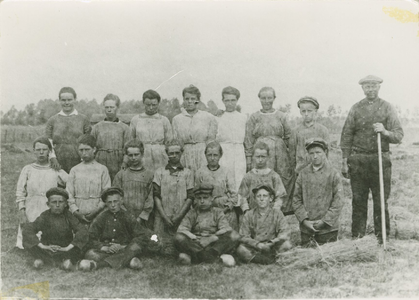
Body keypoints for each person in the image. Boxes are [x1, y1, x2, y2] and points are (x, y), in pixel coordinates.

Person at [340, 75, 403, 243]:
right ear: (362, 88)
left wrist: (385, 131)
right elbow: (346, 136)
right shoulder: (356, 108)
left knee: (381, 200)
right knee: (359, 201)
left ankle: (382, 238)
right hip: (358, 160)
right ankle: (358, 239)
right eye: (367, 86)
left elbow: (398, 135)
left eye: (373, 86)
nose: (370, 89)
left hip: (380, 161)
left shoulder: (387, 107)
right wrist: (345, 160)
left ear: (379, 87)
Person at [80, 187, 161, 271]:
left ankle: (98, 265)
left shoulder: (128, 217)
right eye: (109, 202)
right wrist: (103, 247)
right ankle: (129, 261)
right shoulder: (101, 218)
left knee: (135, 247)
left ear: (121, 201)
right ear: (106, 204)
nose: (113, 205)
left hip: (125, 248)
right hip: (107, 250)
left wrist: (123, 247)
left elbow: (141, 236)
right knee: (91, 254)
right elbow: (90, 237)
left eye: (115, 201)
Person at [244, 87, 294, 214]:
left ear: (274, 98)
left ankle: (279, 213)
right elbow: (249, 139)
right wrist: (249, 159)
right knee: (263, 180)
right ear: (259, 99)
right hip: (261, 154)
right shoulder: (254, 117)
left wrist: (291, 157)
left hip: (280, 154)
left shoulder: (281, 116)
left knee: (281, 180)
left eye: (269, 98)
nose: (266, 101)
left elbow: (289, 137)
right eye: (263, 98)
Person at [15, 137, 68, 249]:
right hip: (31, 206)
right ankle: (26, 245)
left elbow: (71, 182)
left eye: (44, 149)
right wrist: (22, 211)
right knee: (29, 231)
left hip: (48, 207)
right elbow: (20, 192)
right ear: (34, 151)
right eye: (38, 150)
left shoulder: (55, 170)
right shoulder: (27, 169)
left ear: (49, 151)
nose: (41, 152)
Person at [293, 138, 344, 246]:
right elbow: (296, 200)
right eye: (311, 153)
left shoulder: (333, 174)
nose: (315, 156)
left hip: (328, 229)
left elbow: (338, 201)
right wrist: (304, 221)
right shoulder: (303, 174)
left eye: (318, 152)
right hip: (307, 229)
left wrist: (324, 222)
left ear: (325, 152)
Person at [22, 187, 88, 270]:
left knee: (78, 248)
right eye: (54, 202)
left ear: (65, 204)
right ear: (48, 204)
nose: (57, 205)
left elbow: (82, 230)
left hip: (65, 249)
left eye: (60, 202)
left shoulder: (68, 216)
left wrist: (68, 247)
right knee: (30, 242)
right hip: (47, 249)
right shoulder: (45, 216)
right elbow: (29, 229)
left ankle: (60, 261)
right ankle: (45, 260)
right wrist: (43, 246)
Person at [174, 184, 240, 266]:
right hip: (196, 245)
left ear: (211, 198)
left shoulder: (217, 212)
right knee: (178, 237)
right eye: (199, 198)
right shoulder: (192, 213)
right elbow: (182, 229)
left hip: (213, 245)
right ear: (196, 200)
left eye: (205, 198)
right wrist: (194, 238)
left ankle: (200, 258)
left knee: (235, 235)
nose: (202, 201)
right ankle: (210, 258)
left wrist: (211, 238)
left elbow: (226, 229)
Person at [236, 185, 291, 265]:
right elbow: (243, 235)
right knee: (241, 250)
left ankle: (268, 258)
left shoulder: (277, 213)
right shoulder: (249, 214)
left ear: (271, 199)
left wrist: (272, 242)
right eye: (258, 196)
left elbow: (285, 232)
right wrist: (257, 244)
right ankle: (266, 260)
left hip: (272, 246)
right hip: (256, 247)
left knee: (286, 245)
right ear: (255, 199)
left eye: (265, 196)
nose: (261, 199)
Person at [172, 85, 218, 173]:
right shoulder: (177, 119)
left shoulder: (208, 117)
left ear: (198, 100)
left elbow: (211, 140)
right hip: (185, 155)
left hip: (203, 155)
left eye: (193, 99)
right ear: (183, 100)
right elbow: (176, 141)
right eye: (187, 99)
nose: (190, 102)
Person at [67, 134, 111, 225]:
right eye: (81, 150)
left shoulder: (102, 169)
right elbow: (69, 193)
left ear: (94, 149)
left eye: (87, 149)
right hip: (79, 211)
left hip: (98, 212)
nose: (84, 153)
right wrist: (75, 211)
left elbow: (106, 192)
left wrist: (96, 211)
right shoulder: (74, 170)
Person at [153, 140, 194, 236]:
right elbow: (156, 196)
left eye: (177, 153)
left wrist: (178, 216)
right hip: (163, 216)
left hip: (182, 216)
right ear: (167, 153)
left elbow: (190, 197)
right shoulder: (159, 172)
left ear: (181, 153)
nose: (174, 155)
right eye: (171, 153)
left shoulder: (188, 173)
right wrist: (164, 217)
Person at [45, 87, 91, 173]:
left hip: (79, 162)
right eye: (63, 100)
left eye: (69, 100)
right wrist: (52, 158)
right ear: (59, 100)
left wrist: (84, 157)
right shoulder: (52, 120)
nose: (66, 103)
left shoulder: (84, 119)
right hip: (57, 163)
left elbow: (88, 141)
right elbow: (48, 141)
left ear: (75, 100)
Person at [195, 141, 239, 231]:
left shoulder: (227, 172)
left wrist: (225, 209)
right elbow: (196, 196)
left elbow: (234, 196)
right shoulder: (200, 172)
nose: (212, 158)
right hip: (206, 210)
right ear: (205, 155)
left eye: (215, 155)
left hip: (224, 210)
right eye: (209, 155)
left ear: (220, 155)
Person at [130, 89, 173, 172]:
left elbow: (169, 142)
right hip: (142, 156)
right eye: (148, 105)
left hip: (160, 156)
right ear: (143, 103)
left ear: (158, 104)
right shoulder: (136, 120)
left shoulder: (164, 120)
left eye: (154, 105)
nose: (151, 108)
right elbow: (131, 141)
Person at [113, 139, 154, 227]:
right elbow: (116, 197)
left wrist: (141, 217)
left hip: (144, 220)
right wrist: (127, 216)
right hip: (124, 218)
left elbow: (150, 199)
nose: (133, 158)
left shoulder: (149, 175)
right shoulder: (121, 175)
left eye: (136, 154)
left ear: (142, 154)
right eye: (130, 155)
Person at [238, 141, 287, 215]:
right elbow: (242, 197)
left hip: (270, 216)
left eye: (263, 156)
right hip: (253, 216)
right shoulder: (248, 176)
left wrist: (274, 212)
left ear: (268, 157)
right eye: (258, 156)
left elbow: (280, 197)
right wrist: (247, 211)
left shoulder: (274, 176)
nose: (260, 160)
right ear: (253, 157)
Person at [91, 94, 131, 181]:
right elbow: (91, 146)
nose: (109, 110)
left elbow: (128, 148)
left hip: (118, 161)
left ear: (117, 108)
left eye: (112, 107)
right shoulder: (97, 127)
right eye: (107, 107)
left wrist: (125, 162)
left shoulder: (124, 128)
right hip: (100, 160)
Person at [216, 86, 247, 191]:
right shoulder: (218, 118)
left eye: (233, 100)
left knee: (239, 177)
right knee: (224, 178)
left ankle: (239, 206)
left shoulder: (243, 118)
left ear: (237, 100)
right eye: (227, 100)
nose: (230, 103)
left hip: (239, 152)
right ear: (223, 101)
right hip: (224, 152)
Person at [289, 96, 330, 175]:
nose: (306, 114)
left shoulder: (323, 130)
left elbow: (327, 153)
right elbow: (292, 154)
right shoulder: (295, 131)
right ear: (300, 112)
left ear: (315, 111)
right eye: (303, 111)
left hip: (319, 170)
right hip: (301, 170)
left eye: (309, 111)